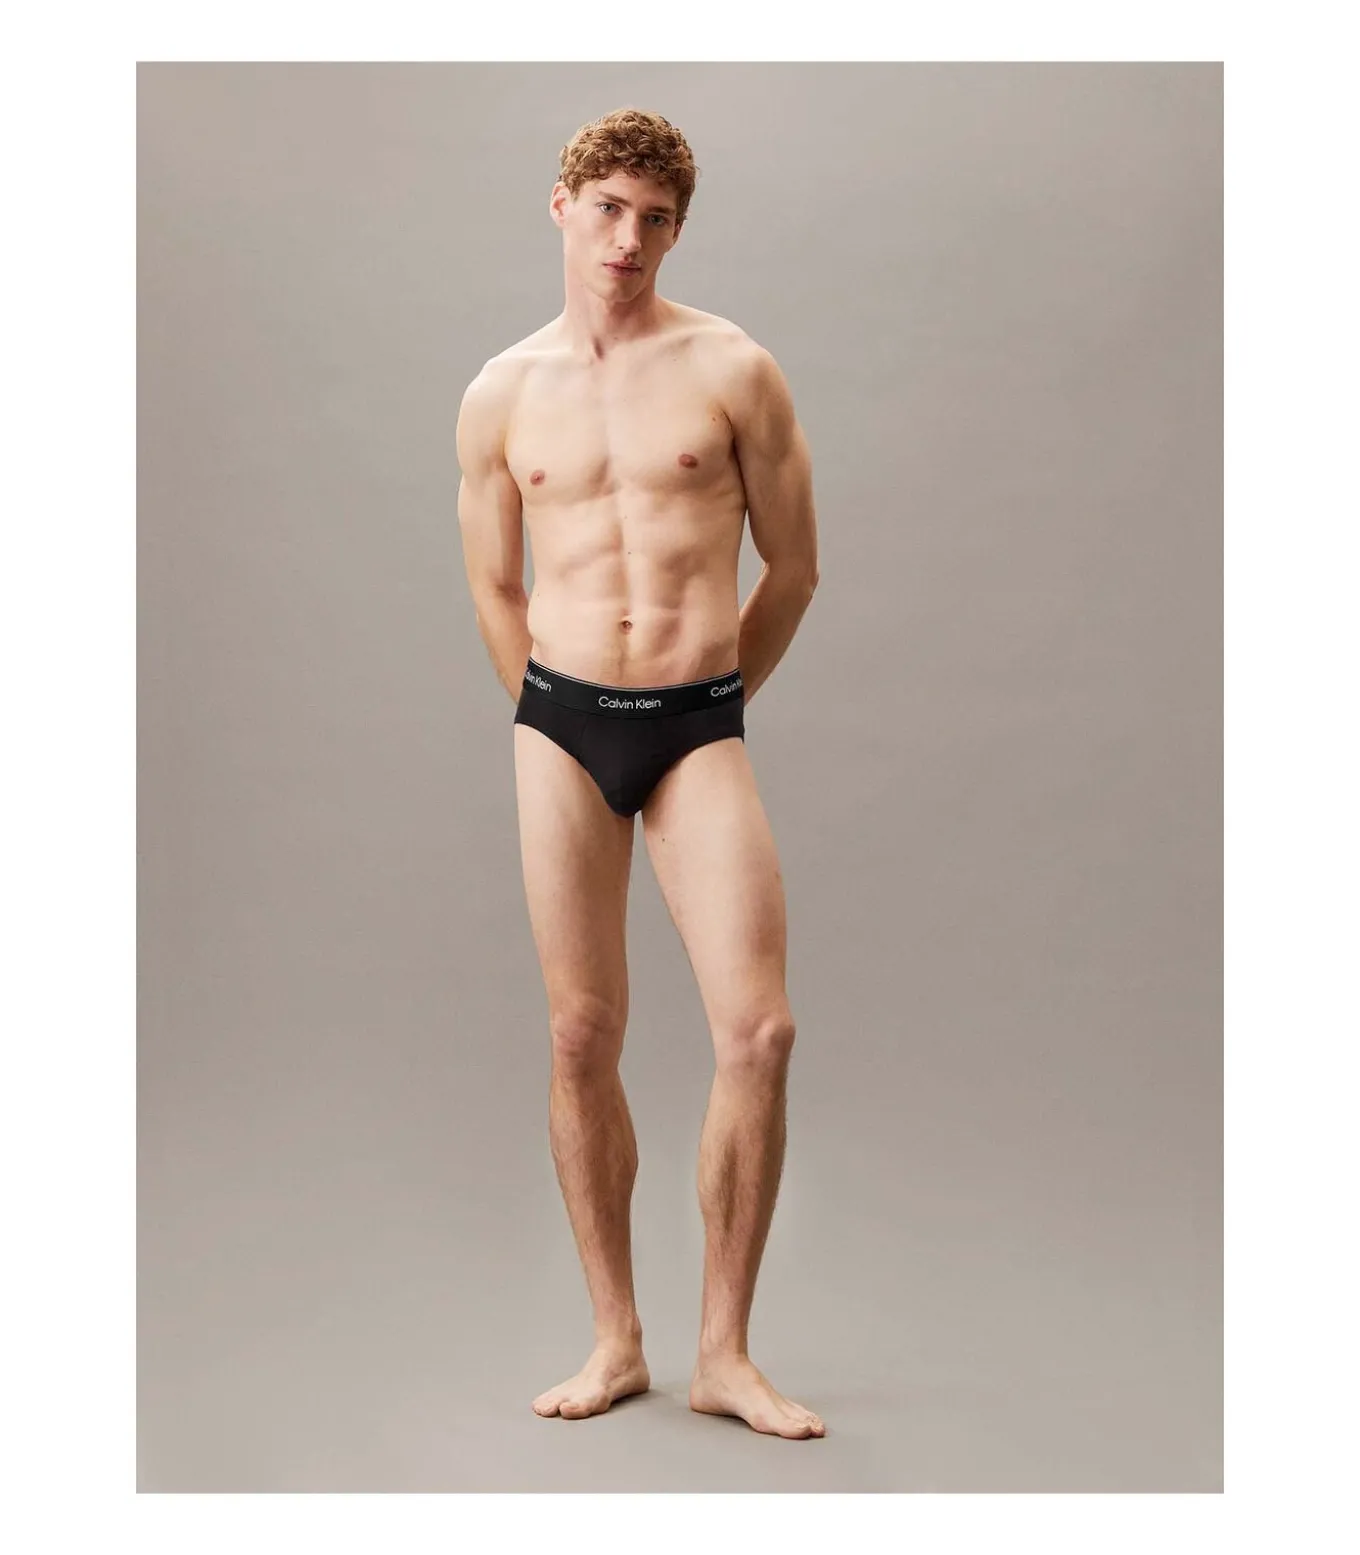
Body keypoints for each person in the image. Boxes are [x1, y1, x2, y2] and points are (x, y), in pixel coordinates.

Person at [455, 107, 824, 1439]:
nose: (629, 239)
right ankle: (616, 1337)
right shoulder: (501, 392)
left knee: (759, 1032)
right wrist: (552, 711)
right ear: (563, 208)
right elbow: (496, 583)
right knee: (579, 1032)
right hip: (560, 726)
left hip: (694, 724)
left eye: (656, 219)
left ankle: (725, 1353)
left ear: (678, 230)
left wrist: (706, 705)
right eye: (609, 208)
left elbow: (796, 567)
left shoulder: (734, 369)